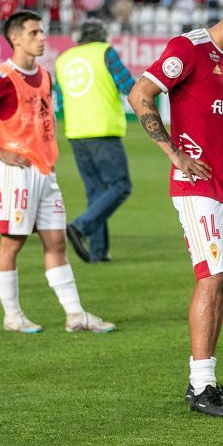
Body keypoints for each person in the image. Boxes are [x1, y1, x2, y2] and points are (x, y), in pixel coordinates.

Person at [128, 0, 223, 418]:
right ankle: (199, 384)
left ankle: (208, 381)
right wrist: (174, 153)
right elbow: (141, 94)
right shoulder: (187, 48)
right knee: (210, 277)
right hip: (199, 187)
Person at [0, 10, 115, 335]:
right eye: (34, 33)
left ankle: (75, 316)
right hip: (16, 173)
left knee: (56, 244)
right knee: (11, 244)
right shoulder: (0, 77)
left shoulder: (44, 74)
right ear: (15, 38)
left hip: (45, 172)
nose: (42, 38)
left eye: (42, 32)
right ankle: (12, 316)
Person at [54, 19, 134, 264]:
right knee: (121, 185)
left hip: (76, 131)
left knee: (96, 192)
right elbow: (127, 85)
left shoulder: (63, 60)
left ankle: (98, 252)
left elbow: (61, 100)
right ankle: (80, 226)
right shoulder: (105, 53)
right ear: (102, 35)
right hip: (102, 128)